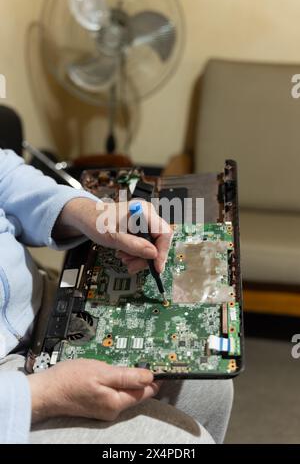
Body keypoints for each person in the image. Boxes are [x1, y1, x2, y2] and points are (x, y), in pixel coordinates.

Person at [0, 149, 233, 444]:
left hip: (34, 302)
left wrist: (95, 214)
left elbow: (6, 177)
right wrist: (40, 396)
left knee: (209, 382)